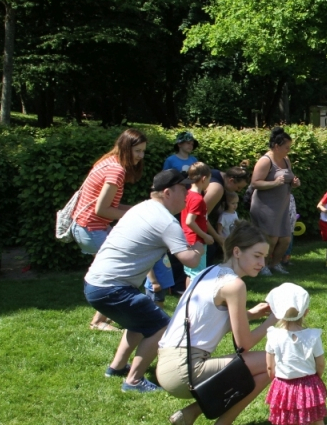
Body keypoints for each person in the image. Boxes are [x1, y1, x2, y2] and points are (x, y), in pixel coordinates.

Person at [86, 169, 205, 393]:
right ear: (168, 192)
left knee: (140, 323)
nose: (187, 195)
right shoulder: (166, 222)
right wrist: (199, 246)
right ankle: (133, 381)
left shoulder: (141, 208)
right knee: (160, 326)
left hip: (95, 283)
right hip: (112, 288)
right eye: (184, 189)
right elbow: (189, 259)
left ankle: (117, 367)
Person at [156, 220, 274, 425]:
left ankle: (189, 415)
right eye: (258, 256)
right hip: (184, 370)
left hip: (168, 363)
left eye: (264, 257)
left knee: (251, 367)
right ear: (237, 251)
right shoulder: (234, 285)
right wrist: (273, 320)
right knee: (273, 362)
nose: (262, 263)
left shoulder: (208, 272)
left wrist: (249, 314)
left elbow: (210, 316)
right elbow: (244, 344)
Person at [71, 129, 147, 332]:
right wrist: (136, 213)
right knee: (117, 273)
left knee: (113, 273)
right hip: (90, 228)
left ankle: (101, 318)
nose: (140, 156)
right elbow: (102, 209)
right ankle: (98, 321)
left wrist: (138, 209)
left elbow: (108, 206)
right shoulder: (117, 170)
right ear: (125, 147)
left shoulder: (109, 161)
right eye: (137, 150)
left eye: (143, 151)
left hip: (88, 226)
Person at [264, 283, 327, 425]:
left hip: (285, 386)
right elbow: (320, 362)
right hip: (310, 385)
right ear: (306, 312)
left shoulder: (273, 336)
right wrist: (316, 377)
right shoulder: (313, 336)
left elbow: (270, 366)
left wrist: (274, 379)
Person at [249, 127, 299, 275]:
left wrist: (295, 182)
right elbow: (255, 183)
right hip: (265, 206)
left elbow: (290, 177)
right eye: (286, 147)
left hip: (282, 206)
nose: (288, 150)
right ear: (276, 147)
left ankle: (275, 264)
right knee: (271, 238)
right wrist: (274, 183)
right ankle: (262, 266)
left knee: (285, 239)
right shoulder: (265, 161)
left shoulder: (285, 159)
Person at [203, 162, 252, 267]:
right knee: (209, 249)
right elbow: (201, 216)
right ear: (231, 180)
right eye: (238, 187)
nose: (238, 191)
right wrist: (217, 237)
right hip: (185, 220)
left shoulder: (216, 173)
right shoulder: (217, 188)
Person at [181, 162, 222, 288]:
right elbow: (190, 221)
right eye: (209, 179)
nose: (209, 183)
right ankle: (193, 301)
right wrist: (205, 236)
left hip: (187, 238)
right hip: (196, 241)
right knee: (197, 274)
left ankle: (186, 298)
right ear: (204, 178)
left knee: (190, 273)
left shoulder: (187, 194)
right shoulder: (198, 199)